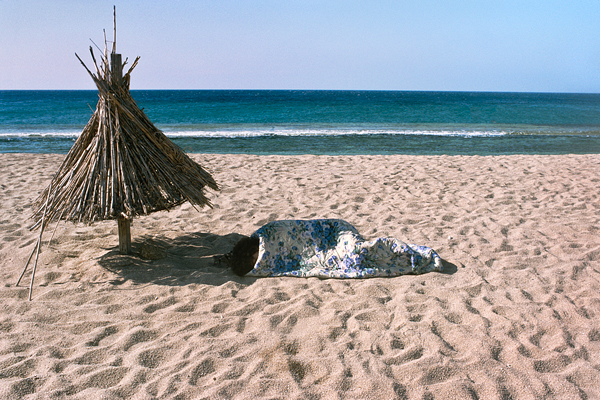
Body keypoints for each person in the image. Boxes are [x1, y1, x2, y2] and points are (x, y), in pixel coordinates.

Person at [226, 219, 443, 278]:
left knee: (356, 253)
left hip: (335, 232)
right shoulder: (259, 254)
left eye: (256, 259)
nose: (260, 262)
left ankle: (409, 254)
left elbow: (302, 232)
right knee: (353, 261)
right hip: (324, 248)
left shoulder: (270, 233)